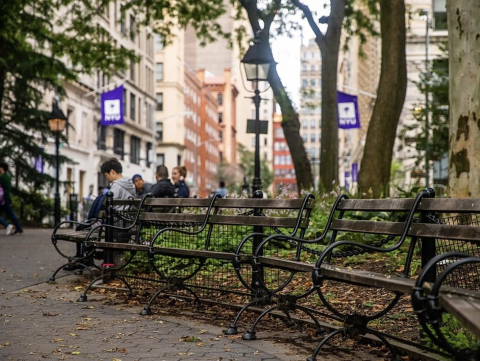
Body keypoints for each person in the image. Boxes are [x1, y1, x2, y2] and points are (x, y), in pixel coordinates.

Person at [0, 162, 23, 235]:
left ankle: (8, 226)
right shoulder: (8, 176)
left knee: (10, 214)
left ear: (2, 168)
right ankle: (18, 228)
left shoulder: (2, 177)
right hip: (7, 197)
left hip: (2, 199)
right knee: (10, 214)